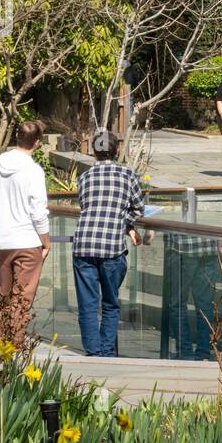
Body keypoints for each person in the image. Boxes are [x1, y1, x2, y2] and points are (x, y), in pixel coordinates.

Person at [72, 130, 145, 358]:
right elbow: (138, 207)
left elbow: (85, 205)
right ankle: (106, 354)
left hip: (83, 243)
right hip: (111, 246)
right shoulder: (127, 175)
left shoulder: (84, 177)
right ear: (116, 151)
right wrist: (127, 224)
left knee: (87, 305)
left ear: (94, 152)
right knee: (110, 303)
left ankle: (93, 353)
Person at [0, 120, 52, 347]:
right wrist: (46, 241)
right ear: (37, 143)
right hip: (28, 241)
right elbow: (38, 211)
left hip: (3, 242)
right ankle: (15, 345)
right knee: (22, 299)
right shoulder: (33, 170)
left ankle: (1, 343)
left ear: (16, 137)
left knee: (5, 295)